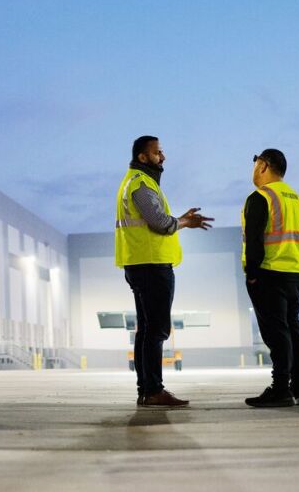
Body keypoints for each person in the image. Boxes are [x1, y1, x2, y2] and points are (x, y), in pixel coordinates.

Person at [115, 135, 213, 408]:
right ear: (143, 157)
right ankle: (153, 390)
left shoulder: (136, 182)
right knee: (156, 330)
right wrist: (184, 221)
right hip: (151, 266)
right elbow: (159, 222)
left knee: (146, 330)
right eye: (158, 152)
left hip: (141, 264)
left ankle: (146, 391)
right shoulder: (141, 184)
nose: (163, 157)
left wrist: (180, 220)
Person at [241, 148, 299, 408]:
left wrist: (252, 274)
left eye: (255, 162)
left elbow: (255, 240)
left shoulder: (261, 197)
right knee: (293, 329)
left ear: (263, 166)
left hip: (268, 272)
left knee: (277, 332)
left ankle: (280, 388)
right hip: (295, 271)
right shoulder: (298, 199)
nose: (253, 168)